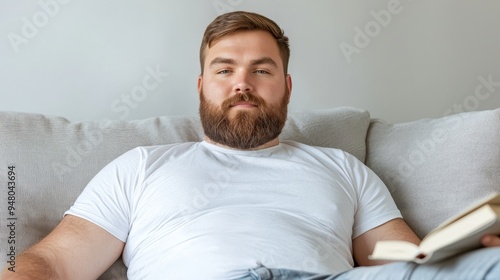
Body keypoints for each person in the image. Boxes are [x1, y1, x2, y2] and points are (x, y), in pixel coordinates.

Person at [2, 10, 500, 280]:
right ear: (202, 86)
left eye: (262, 70)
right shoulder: (140, 166)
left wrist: (463, 251)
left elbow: (402, 260)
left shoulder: (341, 166)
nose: (243, 83)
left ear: (286, 87)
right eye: (225, 70)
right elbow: (54, 263)